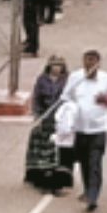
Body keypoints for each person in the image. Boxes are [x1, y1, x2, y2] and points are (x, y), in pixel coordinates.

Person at [64, 49, 107, 212]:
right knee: (83, 162)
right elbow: (65, 96)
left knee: (95, 162)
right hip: (80, 128)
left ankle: (93, 196)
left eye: (93, 61)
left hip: (98, 128)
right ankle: (88, 189)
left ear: (98, 63)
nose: (90, 65)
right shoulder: (75, 78)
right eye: (87, 61)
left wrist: (106, 100)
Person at [25, 57, 73, 192]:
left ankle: (60, 178)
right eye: (54, 65)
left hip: (61, 118)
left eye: (59, 65)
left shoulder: (67, 80)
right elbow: (36, 98)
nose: (56, 68)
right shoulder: (42, 80)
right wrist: (37, 115)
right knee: (41, 147)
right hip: (45, 117)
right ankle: (38, 175)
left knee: (59, 150)